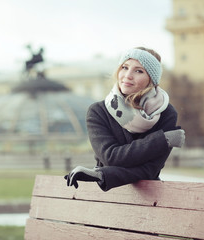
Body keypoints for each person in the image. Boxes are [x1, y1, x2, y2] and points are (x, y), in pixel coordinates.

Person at [65, 47, 185, 191]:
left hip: (149, 196)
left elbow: (150, 170)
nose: (128, 75)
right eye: (125, 67)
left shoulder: (166, 113)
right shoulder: (98, 111)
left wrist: (101, 175)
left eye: (139, 71)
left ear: (151, 80)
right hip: (106, 196)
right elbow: (111, 157)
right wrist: (161, 140)